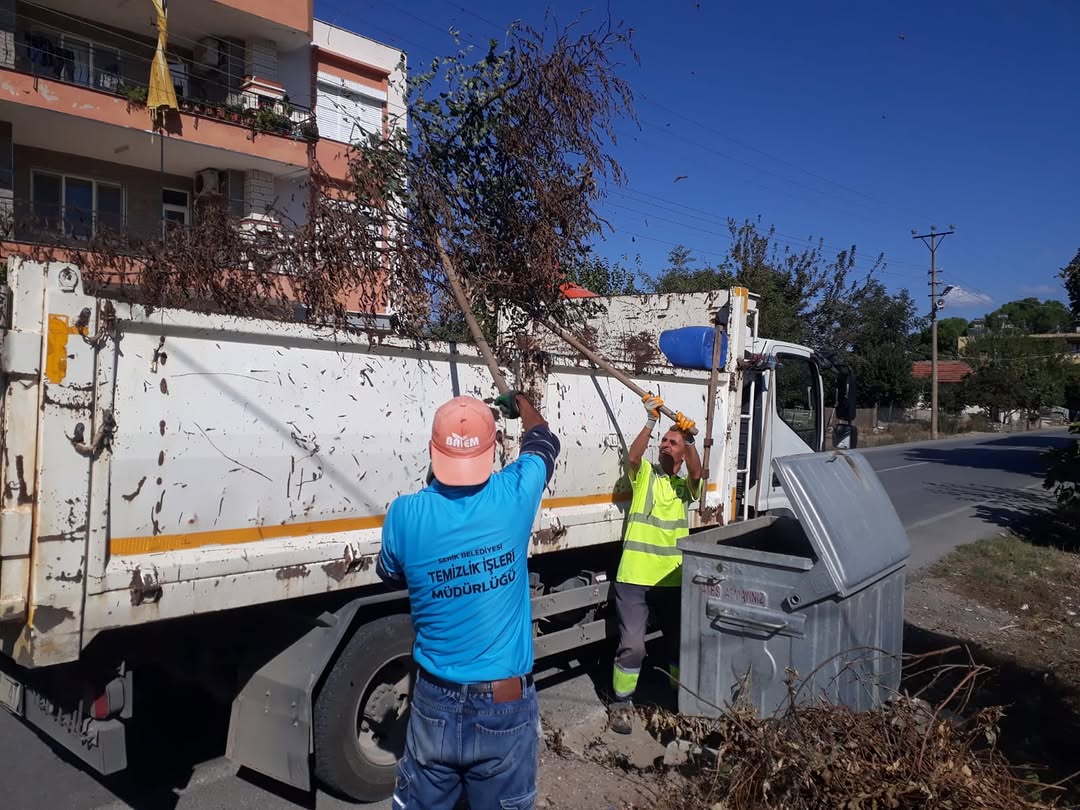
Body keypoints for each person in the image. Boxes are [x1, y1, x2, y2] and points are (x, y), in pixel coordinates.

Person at [377, 391, 560, 810]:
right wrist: (523, 402)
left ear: (431, 451)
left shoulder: (404, 514)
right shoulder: (514, 495)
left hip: (433, 700)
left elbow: (390, 575)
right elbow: (545, 441)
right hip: (505, 706)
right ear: (493, 450)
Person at [609, 393, 701, 735]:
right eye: (664, 439)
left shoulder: (686, 487)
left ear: (680, 451)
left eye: (672, 441)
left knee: (681, 644)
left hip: (672, 579)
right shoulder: (646, 474)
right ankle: (621, 702)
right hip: (634, 576)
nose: (665, 443)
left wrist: (690, 440)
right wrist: (650, 420)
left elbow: (696, 471)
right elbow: (632, 456)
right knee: (634, 644)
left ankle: (679, 700)